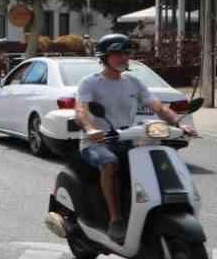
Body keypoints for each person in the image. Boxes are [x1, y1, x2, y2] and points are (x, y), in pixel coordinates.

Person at [75, 33, 198, 239]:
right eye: (117, 54)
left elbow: (158, 107)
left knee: (156, 160)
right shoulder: (90, 83)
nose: (123, 58)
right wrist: (90, 129)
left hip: (126, 138)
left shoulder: (134, 82)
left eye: (126, 54)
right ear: (104, 57)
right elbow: (81, 111)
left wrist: (179, 123)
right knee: (109, 162)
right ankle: (115, 219)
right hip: (97, 142)